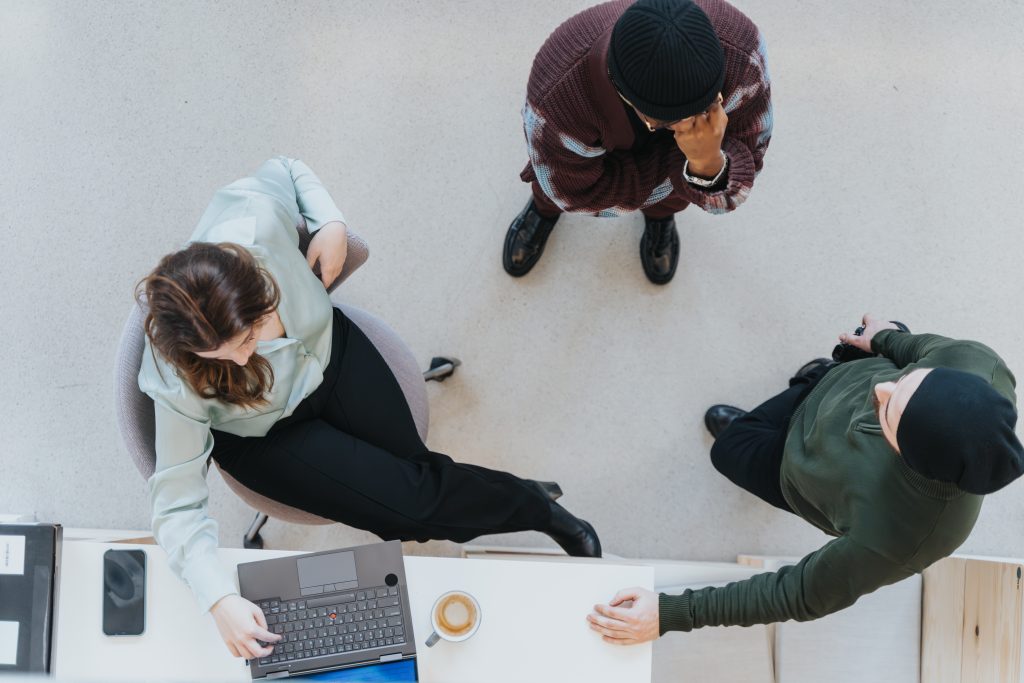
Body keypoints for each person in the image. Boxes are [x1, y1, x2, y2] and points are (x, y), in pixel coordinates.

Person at [137, 157, 601, 660]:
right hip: (266, 438)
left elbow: (288, 170)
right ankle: (538, 510)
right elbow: (178, 507)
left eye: (249, 335)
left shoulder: (250, 218)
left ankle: (519, 497)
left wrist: (330, 221)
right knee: (411, 507)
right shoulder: (171, 375)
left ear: (259, 285)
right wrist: (218, 597)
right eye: (219, 355)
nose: (241, 356)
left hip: (330, 356)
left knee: (416, 476)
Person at [587, 315, 1024, 644]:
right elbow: (914, 349)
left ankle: (769, 416)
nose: (881, 388)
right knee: (825, 373)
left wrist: (669, 614)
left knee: (730, 449)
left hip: (793, 473)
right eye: (905, 382)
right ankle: (812, 377)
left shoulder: (901, 541)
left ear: (911, 456)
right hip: (829, 391)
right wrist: (883, 339)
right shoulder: (978, 363)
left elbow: (797, 594)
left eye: (889, 411)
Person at [503, 0, 772, 285]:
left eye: (708, 108)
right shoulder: (556, 99)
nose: (690, 130)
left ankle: (660, 218)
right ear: (625, 96)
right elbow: (577, 195)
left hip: (642, 177)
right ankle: (543, 212)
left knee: (670, 202)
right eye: (666, 123)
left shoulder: (745, 54)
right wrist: (694, 167)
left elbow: (751, 157)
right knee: (550, 191)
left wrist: (707, 164)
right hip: (575, 169)